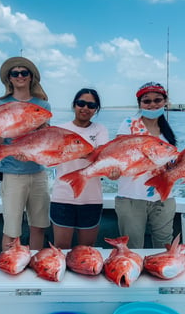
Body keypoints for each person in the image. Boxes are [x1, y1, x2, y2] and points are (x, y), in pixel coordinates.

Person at [0, 57, 51, 251]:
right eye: (15, 73)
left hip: (38, 172)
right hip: (12, 173)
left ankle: (36, 266)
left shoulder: (42, 105)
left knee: (39, 226)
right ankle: (9, 272)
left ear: (31, 77)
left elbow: (44, 139)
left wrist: (31, 152)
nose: (20, 76)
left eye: (24, 72)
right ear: (9, 78)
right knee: (12, 230)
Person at [114, 82, 177, 249]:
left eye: (157, 100)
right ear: (139, 104)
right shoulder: (129, 124)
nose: (152, 104)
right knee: (133, 249)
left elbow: (171, 161)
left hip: (164, 197)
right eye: (146, 101)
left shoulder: (167, 131)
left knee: (165, 247)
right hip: (131, 197)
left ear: (165, 101)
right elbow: (118, 153)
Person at [50, 88, 109, 249]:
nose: (85, 108)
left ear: (96, 109)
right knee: (61, 248)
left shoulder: (100, 130)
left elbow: (101, 155)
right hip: (62, 196)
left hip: (92, 198)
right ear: (74, 105)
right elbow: (49, 159)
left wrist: (78, 150)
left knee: (86, 249)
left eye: (91, 105)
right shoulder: (59, 129)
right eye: (81, 103)